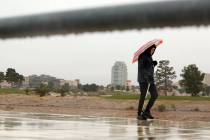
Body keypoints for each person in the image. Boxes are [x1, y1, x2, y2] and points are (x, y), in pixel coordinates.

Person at [137, 44, 158, 120]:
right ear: (148, 49)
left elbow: (148, 67)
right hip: (143, 80)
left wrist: (153, 64)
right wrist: (146, 77)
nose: (153, 51)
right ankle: (139, 114)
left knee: (155, 94)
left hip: (150, 80)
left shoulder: (149, 57)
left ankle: (146, 111)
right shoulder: (142, 56)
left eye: (154, 50)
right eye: (152, 50)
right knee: (143, 96)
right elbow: (141, 68)